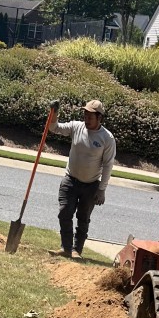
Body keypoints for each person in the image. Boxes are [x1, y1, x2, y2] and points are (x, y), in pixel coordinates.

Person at [49, 98, 116, 259]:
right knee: (64, 213)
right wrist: (54, 114)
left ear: (99, 118)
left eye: (90, 117)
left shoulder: (107, 138)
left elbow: (108, 165)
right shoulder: (76, 127)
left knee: (83, 218)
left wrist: (102, 190)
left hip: (91, 185)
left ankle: (76, 250)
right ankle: (66, 248)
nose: (86, 119)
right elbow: (54, 127)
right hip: (70, 180)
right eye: (85, 115)